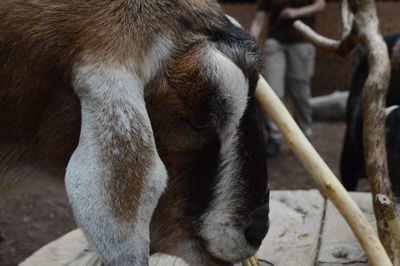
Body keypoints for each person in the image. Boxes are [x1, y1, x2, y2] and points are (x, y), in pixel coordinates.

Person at [250, 0, 326, 156]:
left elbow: (320, 5)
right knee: (273, 91)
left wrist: (296, 13)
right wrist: (249, 41)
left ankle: (304, 133)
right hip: (275, 41)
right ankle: (275, 138)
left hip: (302, 41)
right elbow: (260, 19)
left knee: (300, 91)